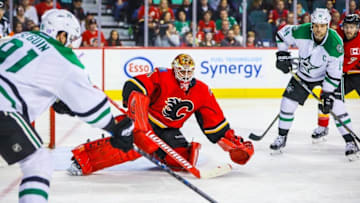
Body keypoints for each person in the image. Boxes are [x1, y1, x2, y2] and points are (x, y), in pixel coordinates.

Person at [0, 9, 133, 202]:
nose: (71, 46)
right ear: (62, 35)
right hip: (4, 105)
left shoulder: (23, 36)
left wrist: (58, 100)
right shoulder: (62, 57)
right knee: (38, 162)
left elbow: (26, 76)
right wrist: (115, 128)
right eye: (71, 40)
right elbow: (92, 108)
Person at [67, 54, 254, 176]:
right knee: (140, 142)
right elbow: (136, 85)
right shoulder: (161, 75)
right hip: (144, 122)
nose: (185, 75)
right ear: (174, 69)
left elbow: (214, 120)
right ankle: (84, 159)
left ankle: (158, 152)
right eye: (181, 71)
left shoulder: (202, 91)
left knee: (182, 161)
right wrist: (138, 118)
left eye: (189, 71)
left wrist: (231, 143)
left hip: (169, 130)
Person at [271, 8, 358, 159]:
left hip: (326, 76)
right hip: (303, 75)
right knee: (287, 103)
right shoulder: (302, 31)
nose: (319, 29)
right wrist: (282, 54)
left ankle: (351, 142)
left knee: (337, 107)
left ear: (328, 25)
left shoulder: (335, 43)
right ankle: (281, 137)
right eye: (316, 25)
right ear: (311, 24)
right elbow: (281, 34)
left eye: (322, 25)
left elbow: (335, 73)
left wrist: (327, 93)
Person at [312, 14, 360, 149]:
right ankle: (322, 128)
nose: (349, 30)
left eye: (352, 27)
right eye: (347, 27)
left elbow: (344, 65)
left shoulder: (359, 42)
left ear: (357, 28)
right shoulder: (336, 35)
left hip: (353, 73)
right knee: (325, 98)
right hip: (344, 74)